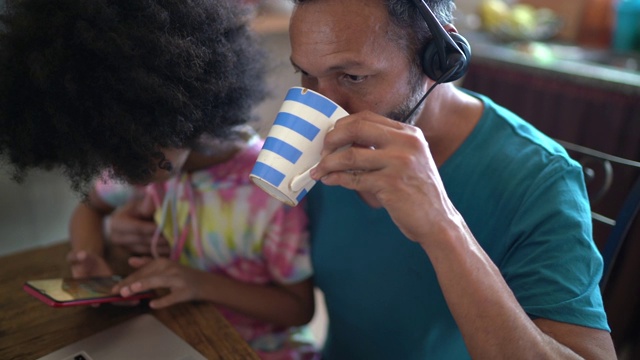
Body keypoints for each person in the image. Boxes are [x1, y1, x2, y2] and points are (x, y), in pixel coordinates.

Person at [76, 0, 617, 359]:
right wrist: (139, 219)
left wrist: (441, 225)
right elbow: (260, 255)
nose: (323, 104)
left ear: (440, 56)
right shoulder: (308, 152)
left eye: (353, 76)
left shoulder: (538, 178)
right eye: (306, 74)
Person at [0, 0, 319, 358]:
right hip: (168, 336)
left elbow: (297, 309)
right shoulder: (139, 161)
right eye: (105, 154)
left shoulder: (267, 186)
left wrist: (198, 284)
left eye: (126, 148)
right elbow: (89, 208)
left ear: (171, 111)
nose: (119, 171)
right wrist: (90, 258)